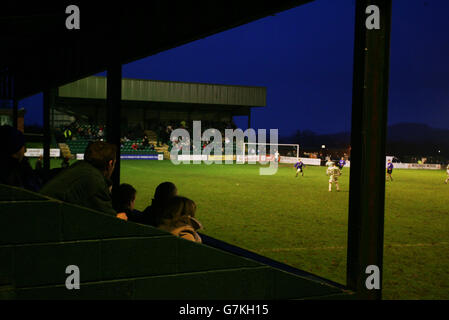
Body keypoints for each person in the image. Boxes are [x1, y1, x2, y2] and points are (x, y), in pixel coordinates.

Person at [40, 141, 122, 218]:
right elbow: (109, 221)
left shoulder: (79, 167)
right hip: (48, 222)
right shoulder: (94, 179)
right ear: (110, 163)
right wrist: (120, 218)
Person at [0, 125, 42, 192]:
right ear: (15, 151)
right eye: (22, 146)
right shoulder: (19, 173)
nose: (25, 150)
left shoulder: (18, 169)